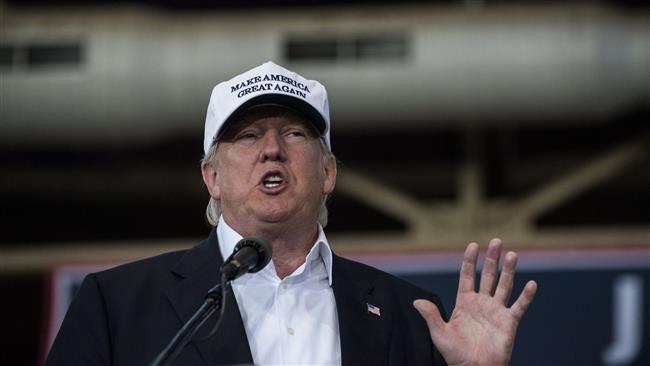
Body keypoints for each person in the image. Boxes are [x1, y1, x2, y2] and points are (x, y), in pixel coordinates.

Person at [45, 61, 537, 366]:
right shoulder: (118, 306)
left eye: (296, 134)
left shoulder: (409, 318)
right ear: (211, 176)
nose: (273, 150)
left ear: (327, 172)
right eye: (247, 135)